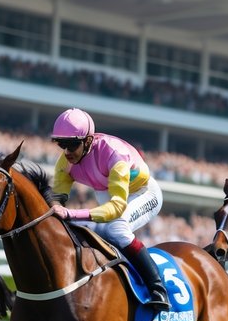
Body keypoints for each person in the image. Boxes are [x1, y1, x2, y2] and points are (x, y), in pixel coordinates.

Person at [47, 107, 169, 310]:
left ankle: (158, 288)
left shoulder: (114, 154)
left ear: (87, 141)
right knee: (90, 230)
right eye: (62, 145)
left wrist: (71, 213)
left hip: (143, 192)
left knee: (116, 229)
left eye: (72, 145)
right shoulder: (65, 163)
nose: (67, 152)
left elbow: (117, 207)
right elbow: (56, 200)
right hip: (107, 190)